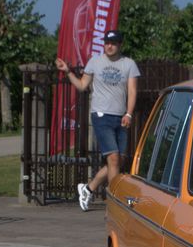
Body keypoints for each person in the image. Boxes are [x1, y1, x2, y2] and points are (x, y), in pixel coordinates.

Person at [56, 30, 139, 210]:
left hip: (121, 117)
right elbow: (82, 85)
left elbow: (132, 91)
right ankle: (115, 203)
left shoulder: (129, 64)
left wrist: (129, 114)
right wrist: (68, 71)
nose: (109, 46)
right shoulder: (95, 61)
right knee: (114, 158)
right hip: (101, 116)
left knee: (118, 160)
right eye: (107, 42)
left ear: (120, 45)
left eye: (113, 43)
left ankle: (88, 188)